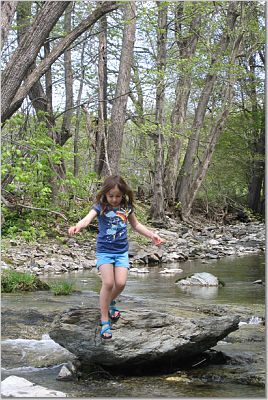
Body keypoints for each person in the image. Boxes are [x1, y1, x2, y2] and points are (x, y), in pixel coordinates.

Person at [68, 175, 164, 339]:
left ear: (123, 195)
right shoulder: (100, 207)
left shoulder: (126, 207)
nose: (114, 199)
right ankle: (105, 320)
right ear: (105, 194)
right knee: (108, 282)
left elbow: (136, 225)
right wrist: (78, 226)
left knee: (120, 283)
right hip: (104, 251)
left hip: (121, 252)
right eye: (111, 195)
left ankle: (108, 302)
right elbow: (87, 219)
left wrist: (152, 235)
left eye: (118, 196)